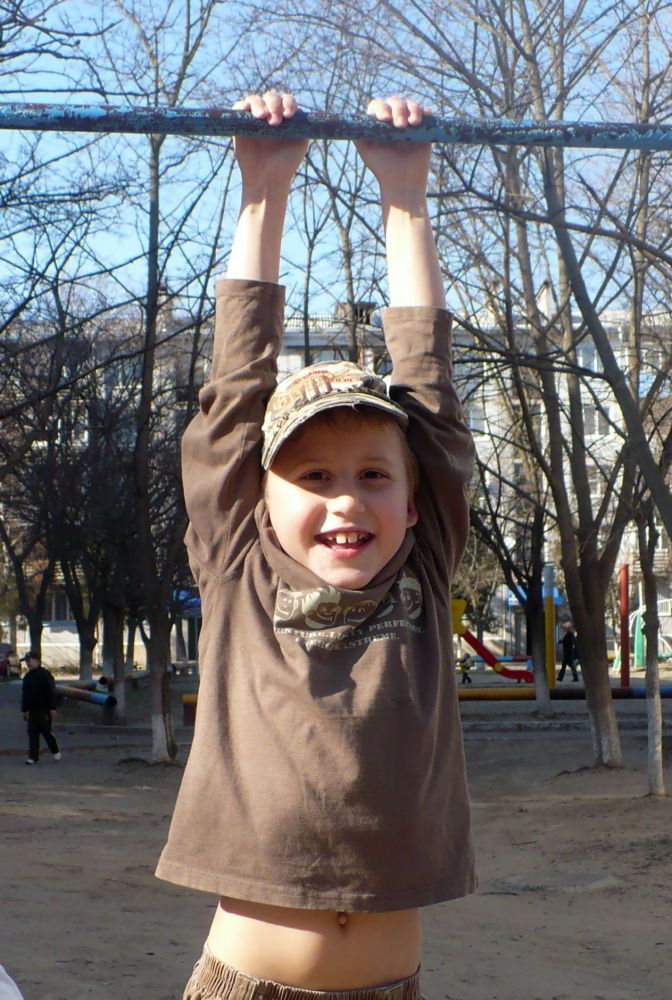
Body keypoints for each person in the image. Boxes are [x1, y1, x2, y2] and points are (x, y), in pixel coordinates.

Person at [156, 90, 476, 1000]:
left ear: (414, 503)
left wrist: (405, 199)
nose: (346, 500)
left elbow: (429, 393)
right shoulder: (238, 565)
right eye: (313, 476)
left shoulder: (423, 568)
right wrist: (263, 190)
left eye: (373, 475)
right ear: (259, 497)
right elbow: (236, 391)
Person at [21, 651, 61, 765]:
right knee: (32, 733)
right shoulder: (27, 677)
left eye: (29, 661)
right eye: (26, 662)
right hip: (32, 710)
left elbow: (52, 692)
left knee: (46, 731)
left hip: (44, 709)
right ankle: (33, 757)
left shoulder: (45, 675)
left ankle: (55, 749)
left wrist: (52, 708)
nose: (28, 663)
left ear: (37, 661)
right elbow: (25, 695)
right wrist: (24, 710)